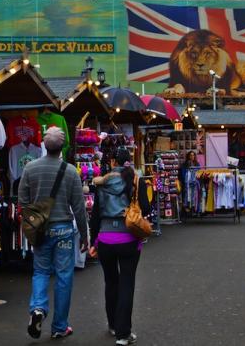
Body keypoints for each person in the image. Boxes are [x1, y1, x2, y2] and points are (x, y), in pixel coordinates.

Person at [19, 127, 89, 340]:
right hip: (64, 230)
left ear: (43, 143)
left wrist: (31, 222)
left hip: (40, 230)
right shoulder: (70, 172)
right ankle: (59, 326)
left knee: (40, 271)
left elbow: (22, 202)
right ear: (62, 147)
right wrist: (85, 236)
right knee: (64, 276)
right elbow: (79, 207)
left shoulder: (30, 169)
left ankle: (38, 309)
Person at [89, 148, 140, 346]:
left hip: (105, 239)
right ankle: (123, 333)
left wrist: (94, 241)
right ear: (129, 161)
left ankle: (112, 324)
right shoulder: (135, 181)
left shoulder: (102, 183)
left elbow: (95, 216)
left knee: (111, 282)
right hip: (128, 238)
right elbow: (146, 205)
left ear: (112, 162)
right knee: (127, 283)